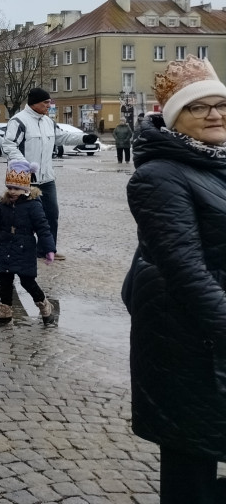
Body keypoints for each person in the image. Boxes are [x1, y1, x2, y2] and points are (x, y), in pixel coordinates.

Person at [122, 56, 226, 503]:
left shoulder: (218, 162)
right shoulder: (158, 176)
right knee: (191, 467)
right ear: (174, 118)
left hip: (211, 334)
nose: (216, 115)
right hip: (184, 340)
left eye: (221, 105)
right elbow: (184, 269)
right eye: (199, 107)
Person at [2, 87, 97, 259]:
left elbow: (62, 137)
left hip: (46, 177)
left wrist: (83, 138)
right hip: (23, 178)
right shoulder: (18, 121)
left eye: (49, 102)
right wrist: (25, 167)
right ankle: (16, 248)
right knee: (20, 216)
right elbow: (9, 145)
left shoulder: (48, 121)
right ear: (34, 103)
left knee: (51, 214)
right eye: (46, 102)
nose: (49, 105)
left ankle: (47, 249)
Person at [0, 159, 56, 325]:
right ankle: (4, 311)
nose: (12, 191)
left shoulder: (33, 205)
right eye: (10, 187)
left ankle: (44, 304)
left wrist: (49, 249)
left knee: (27, 281)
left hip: (24, 248)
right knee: (5, 279)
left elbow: (43, 228)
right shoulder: (3, 205)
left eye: (17, 188)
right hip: (4, 245)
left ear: (26, 188)